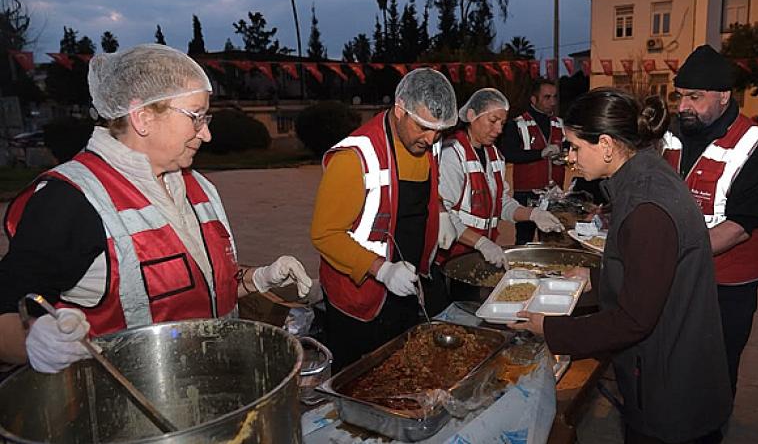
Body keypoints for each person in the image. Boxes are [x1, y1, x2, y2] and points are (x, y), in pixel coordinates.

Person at [0, 44, 312, 374]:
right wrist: (31, 340)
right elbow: (7, 308)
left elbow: (197, 286)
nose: (206, 134)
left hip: (211, 388)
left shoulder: (198, 187)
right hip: (122, 412)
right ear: (143, 117)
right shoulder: (71, 201)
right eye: (196, 117)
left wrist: (256, 278)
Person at [511, 88, 732, 444]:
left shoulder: (647, 208)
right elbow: (650, 273)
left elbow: (633, 320)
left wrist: (551, 330)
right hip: (671, 369)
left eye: (575, 147)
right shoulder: (643, 179)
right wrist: (595, 277)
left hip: (671, 391)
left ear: (606, 145)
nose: (570, 158)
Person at [311, 68, 458, 371]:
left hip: (406, 287)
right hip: (360, 297)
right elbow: (324, 235)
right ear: (400, 110)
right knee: (359, 379)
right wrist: (382, 270)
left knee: (400, 370)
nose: (431, 140)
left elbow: (422, 195)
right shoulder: (354, 158)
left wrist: (441, 211)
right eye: (423, 127)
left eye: (438, 131)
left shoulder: (424, 144)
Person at [664, 44, 758, 397]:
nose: (683, 106)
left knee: (716, 366)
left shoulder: (757, 146)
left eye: (694, 97)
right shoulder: (673, 135)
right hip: (680, 272)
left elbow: (738, 228)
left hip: (728, 284)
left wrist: (671, 252)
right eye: (680, 97)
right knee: (675, 357)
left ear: (723, 96)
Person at [438, 88, 563, 269]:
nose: (498, 129)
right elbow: (444, 215)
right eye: (493, 121)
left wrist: (532, 214)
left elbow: (502, 202)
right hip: (452, 255)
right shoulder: (452, 154)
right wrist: (481, 243)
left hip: (480, 253)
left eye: (502, 123)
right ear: (472, 116)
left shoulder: (494, 154)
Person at [499, 78, 566, 244]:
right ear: (533, 99)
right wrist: (540, 153)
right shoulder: (516, 124)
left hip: (554, 193)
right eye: (547, 97)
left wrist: (563, 157)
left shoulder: (560, 124)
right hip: (526, 193)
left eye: (554, 97)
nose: (552, 102)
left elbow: (571, 151)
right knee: (524, 239)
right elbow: (509, 154)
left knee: (554, 239)